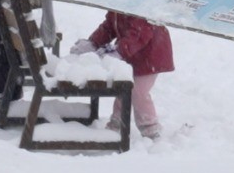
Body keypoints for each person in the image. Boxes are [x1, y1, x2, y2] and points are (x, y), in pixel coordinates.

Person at [74, 11, 173, 140]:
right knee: (124, 88)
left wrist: (119, 52)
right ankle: (117, 123)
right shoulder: (118, 6)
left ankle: (150, 128)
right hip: (131, 53)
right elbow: (108, 28)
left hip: (151, 55)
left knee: (138, 91)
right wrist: (93, 43)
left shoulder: (142, 8)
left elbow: (138, 34)